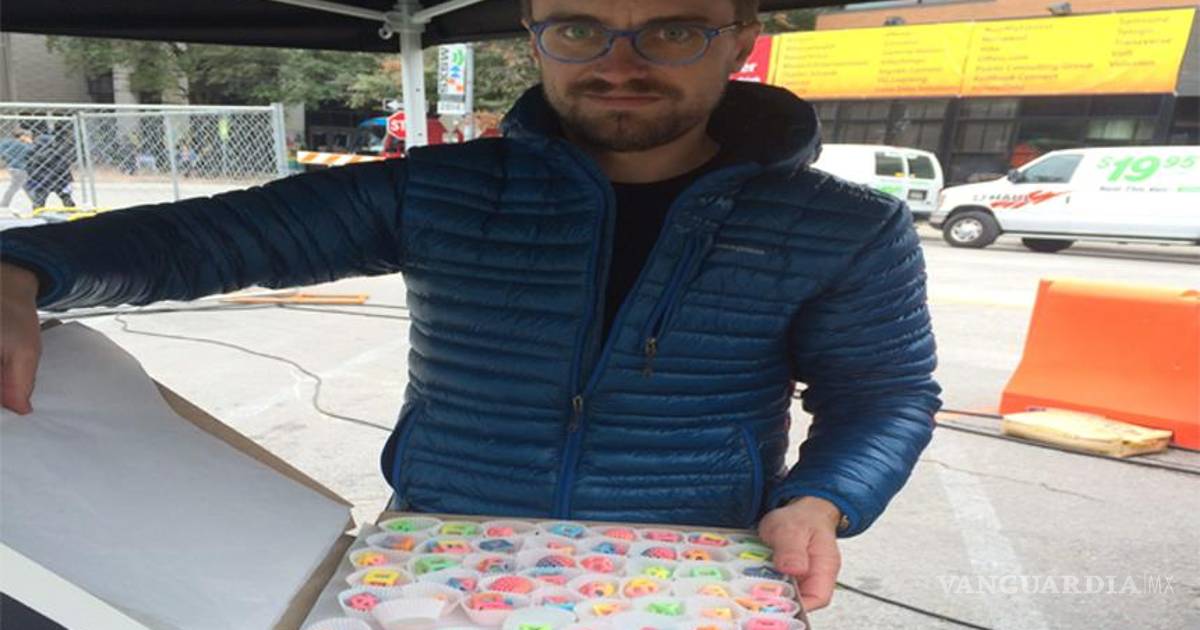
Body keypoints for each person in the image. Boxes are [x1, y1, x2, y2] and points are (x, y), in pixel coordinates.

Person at [0, 0, 940, 612]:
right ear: (534, 34)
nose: (619, 62)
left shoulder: (843, 226)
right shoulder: (438, 189)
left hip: (692, 565)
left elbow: (883, 394)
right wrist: (21, 268)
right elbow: (199, 240)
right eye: (578, 28)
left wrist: (823, 500)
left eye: (672, 30)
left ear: (738, 37)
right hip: (440, 559)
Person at [22, 125, 77, 208]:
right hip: (60, 180)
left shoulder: (33, 153)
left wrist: (32, 176)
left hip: (43, 181)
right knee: (65, 196)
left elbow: (29, 167)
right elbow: (66, 165)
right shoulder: (58, 151)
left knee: (40, 199)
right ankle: (70, 207)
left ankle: (38, 209)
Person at [0, 130, 33, 209]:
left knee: (15, 186)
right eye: (27, 136)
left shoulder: (6, 143)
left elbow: (3, 153)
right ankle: (37, 202)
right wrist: (30, 143)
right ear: (22, 136)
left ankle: (4, 203)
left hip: (11, 167)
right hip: (21, 168)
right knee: (26, 186)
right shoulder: (23, 145)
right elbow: (32, 152)